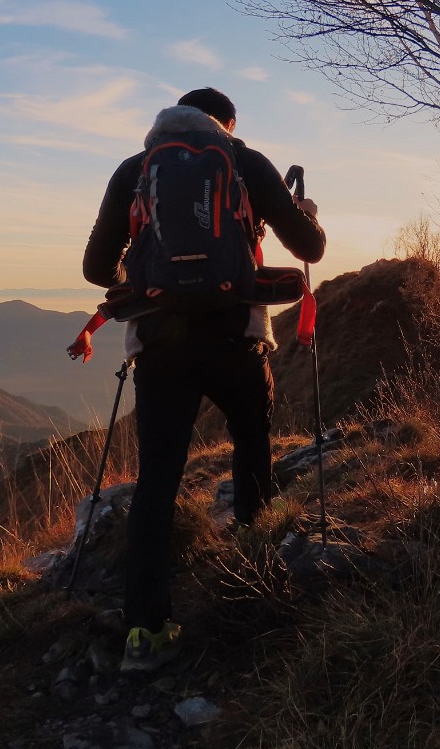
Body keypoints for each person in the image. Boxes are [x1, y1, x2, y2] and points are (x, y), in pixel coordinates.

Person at [82, 87, 325, 672]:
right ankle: (254, 582)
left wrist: (149, 271)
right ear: (227, 124)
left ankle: (145, 630)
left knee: (157, 482)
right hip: (235, 338)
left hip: (161, 346)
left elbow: (95, 269)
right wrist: (301, 214)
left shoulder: (135, 169)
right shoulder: (244, 159)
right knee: (251, 451)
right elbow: (310, 246)